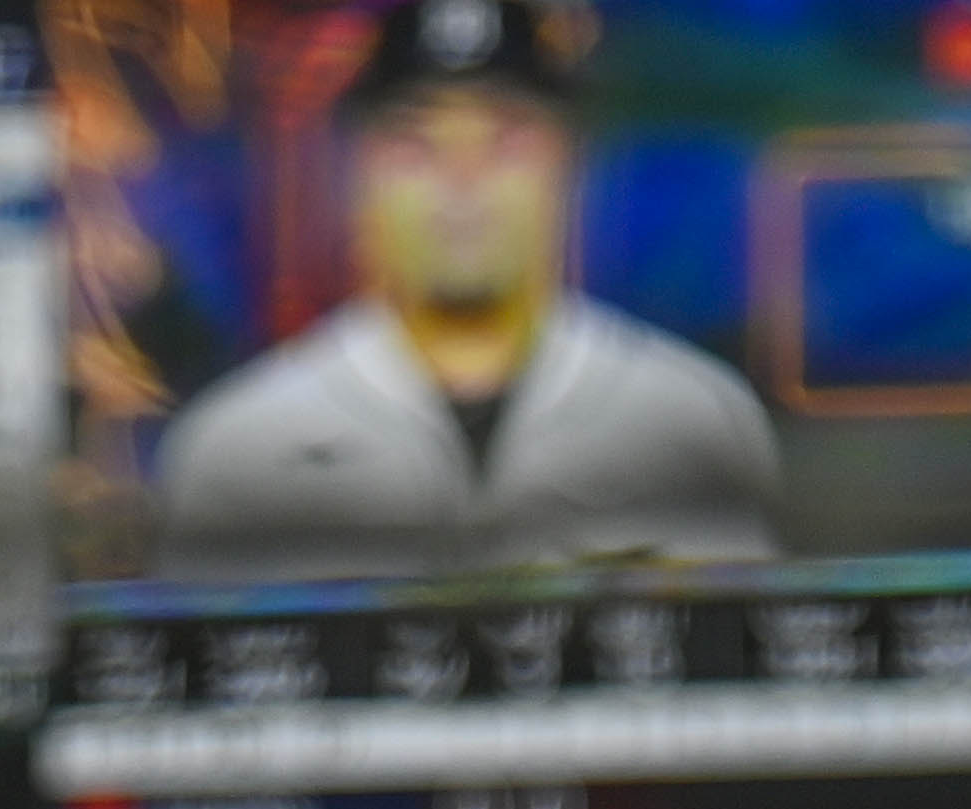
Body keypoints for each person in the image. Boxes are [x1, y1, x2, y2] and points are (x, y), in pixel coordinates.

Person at [149, 0, 777, 574]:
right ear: (363, 173)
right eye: (417, 143)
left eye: (505, 138)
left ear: (566, 162)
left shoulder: (692, 421)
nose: (463, 180)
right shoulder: (239, 451)